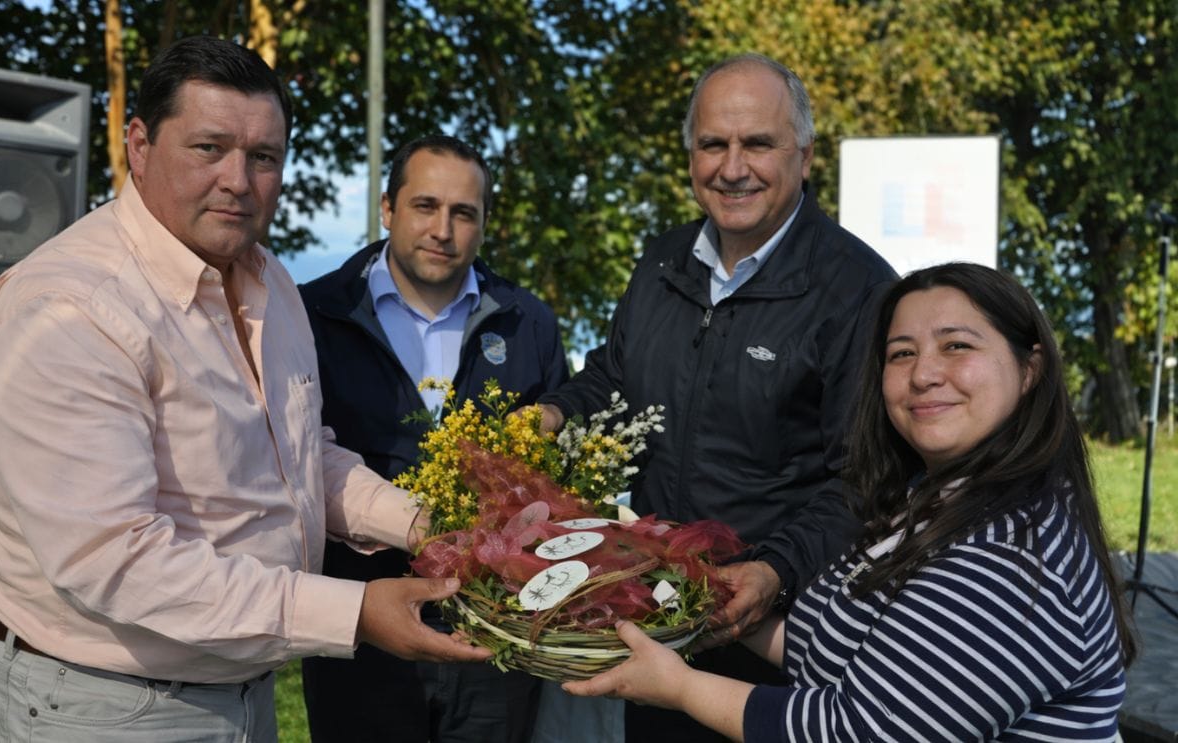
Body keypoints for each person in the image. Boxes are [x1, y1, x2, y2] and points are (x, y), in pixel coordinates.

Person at [0, 36, 488, 743]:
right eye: (208, 148)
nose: (238, 180)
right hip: (98, 707)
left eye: (263, 158)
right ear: (139, 143)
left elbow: (304, 457)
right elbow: (115, 561)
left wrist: (424, 522)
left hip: (242, 694)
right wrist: (355, 612)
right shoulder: (69, 307)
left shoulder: (271, 282)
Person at [564, 262, 1136, 741]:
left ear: (1030, 368)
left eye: (956, 346)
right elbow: (845, 652)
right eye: (901, 353)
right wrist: (714, 608)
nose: (924, 375)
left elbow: (859, 730)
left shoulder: (1010, 559)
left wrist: (681, 687)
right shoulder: (931, 501)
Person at [534, 53, 896, 739]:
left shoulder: (857, 289)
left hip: (784, 643)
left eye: (757, 143)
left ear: (805, 155)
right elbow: (614, 377)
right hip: (661, 620)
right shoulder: (661, 260)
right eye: (713, 144)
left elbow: (869, 479)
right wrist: (551, 414)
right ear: (691, 155)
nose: (733, 167)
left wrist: (775, 569)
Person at [298, 134, 569, 742]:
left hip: (495, 638)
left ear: (483, 225)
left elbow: (560, 474)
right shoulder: (314, 315)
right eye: (425, 206)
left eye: (463, 213)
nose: (442, 229)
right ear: (388, 209)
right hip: (362, 628)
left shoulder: (528, 323)